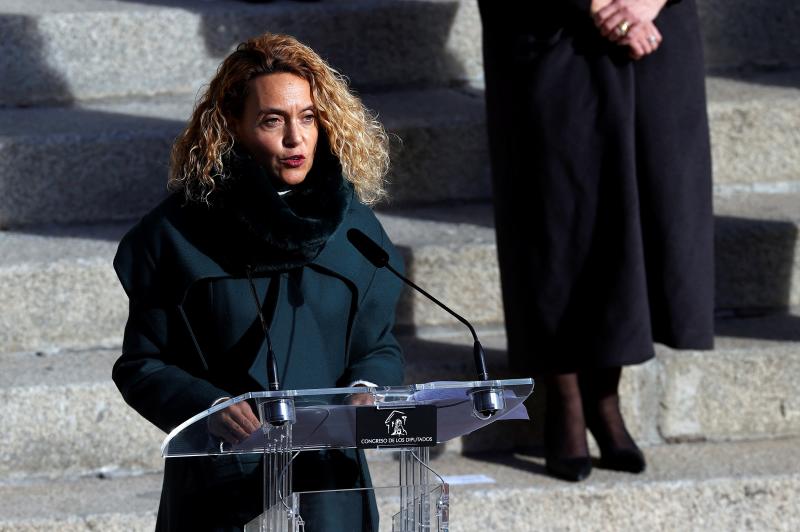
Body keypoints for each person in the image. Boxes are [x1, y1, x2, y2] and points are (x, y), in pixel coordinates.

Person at [112, 33, 405, 530]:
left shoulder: (353, 229)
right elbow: (142, 365)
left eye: (308, 118)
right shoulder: (177, 234)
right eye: (273, 120)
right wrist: (209, 407)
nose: (296, 138)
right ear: (234, 125)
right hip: (223, 486)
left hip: (329, 481)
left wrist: (368, 390)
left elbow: (377, 346)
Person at [478, 0, 714, 481]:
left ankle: (605, 396)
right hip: (544, 26)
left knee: (640, 205)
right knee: (555, 212)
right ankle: (564, 398)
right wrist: (601, 5)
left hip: (653, 27)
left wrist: (642, 3)